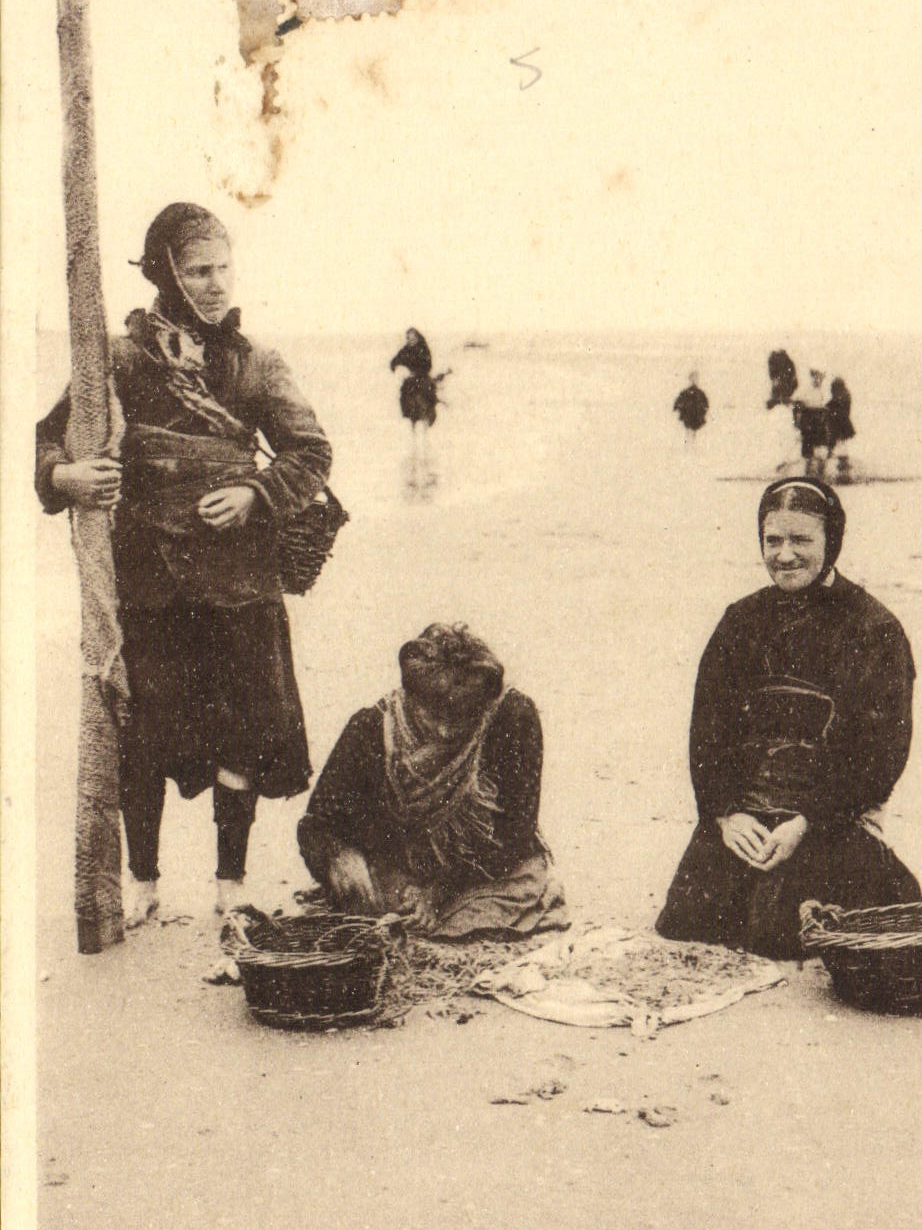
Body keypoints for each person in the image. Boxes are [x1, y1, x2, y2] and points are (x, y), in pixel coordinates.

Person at [36, 202, 332, 926]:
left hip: (239, 585)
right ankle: (143, 885)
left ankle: (231, 888)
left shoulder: (253, 361)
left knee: (241, 735)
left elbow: (312, 453)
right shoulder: (120, 358)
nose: (215, 284)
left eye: (223, 268)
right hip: (150, 585)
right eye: (198, 270)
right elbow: (49, 439)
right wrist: (65, 480)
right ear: (165, 272)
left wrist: (254, 492)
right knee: (145, 736)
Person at [655, 478, 922, 959]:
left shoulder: (874, 629)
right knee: (687, 921)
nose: (784, 555)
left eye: (802, 540)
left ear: (831, 542)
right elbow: (707, 734)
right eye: (772, 540)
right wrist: (725, 815)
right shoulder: (739, 621)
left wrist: (807, 822)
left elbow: (882, 754)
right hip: (750, 812)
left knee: (778, 933)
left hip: (830, 817)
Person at [297, 624, 569, 939]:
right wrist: (339, 856)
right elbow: (316, 823)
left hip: (479, 873)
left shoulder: (512, 717)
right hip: (400, 867)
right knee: (376, 913)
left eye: (461, 718)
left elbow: (516, 834)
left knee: (478, 919)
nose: (444, 732)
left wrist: (438, 894)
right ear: (409, 697)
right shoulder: (372, 728)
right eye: (432, 715)